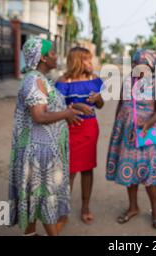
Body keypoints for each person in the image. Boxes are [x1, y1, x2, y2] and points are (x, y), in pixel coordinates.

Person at [8, 36, 83, 236]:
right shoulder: (33, 81)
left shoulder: (43, 80)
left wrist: (72, 108)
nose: (56, 56)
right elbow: (39, 115)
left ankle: (31, 234)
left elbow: (50, 107)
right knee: (44, 199)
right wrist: (66, 114)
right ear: (42, 58)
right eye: (52, 53)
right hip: (38, 154)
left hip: (46, 152)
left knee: (37, 198)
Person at [106, 49, 156, 229]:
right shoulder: (127, 82)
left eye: (139, 64)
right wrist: (118, 128)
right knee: (129, 171)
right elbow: (120, 104)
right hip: (126, 135)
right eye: (133, 64)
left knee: (149, 172)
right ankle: (133, 207)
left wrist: (147, 125)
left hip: (146, 135)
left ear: (149, 66)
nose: (135, 67)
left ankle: (155, 210)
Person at [56, 47, 104, 225]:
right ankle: (63, 211)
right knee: (68, 171)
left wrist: (98, 98)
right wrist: (76, 107)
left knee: (87, 168)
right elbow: (56, 108)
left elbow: (100, 106)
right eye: (86, 60)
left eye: (91, 60)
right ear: (77, 61)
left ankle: (85, 206)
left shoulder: (94, 79)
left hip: (89, 129)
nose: (90, 63)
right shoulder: (64, 81)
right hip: (69, 129)